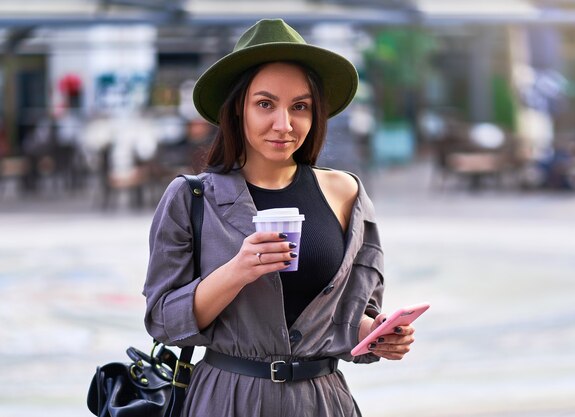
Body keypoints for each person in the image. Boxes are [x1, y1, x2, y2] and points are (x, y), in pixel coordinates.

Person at [143, 18, 416, 417]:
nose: (284, 125)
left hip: (321, 402)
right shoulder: (192, 197)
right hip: (226, 400)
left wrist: (376, 335)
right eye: (265, 104)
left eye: (300, 106)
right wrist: (238, 269)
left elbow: (350, 318)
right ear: (238, 110)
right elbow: (163, 321)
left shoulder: (347, 193)